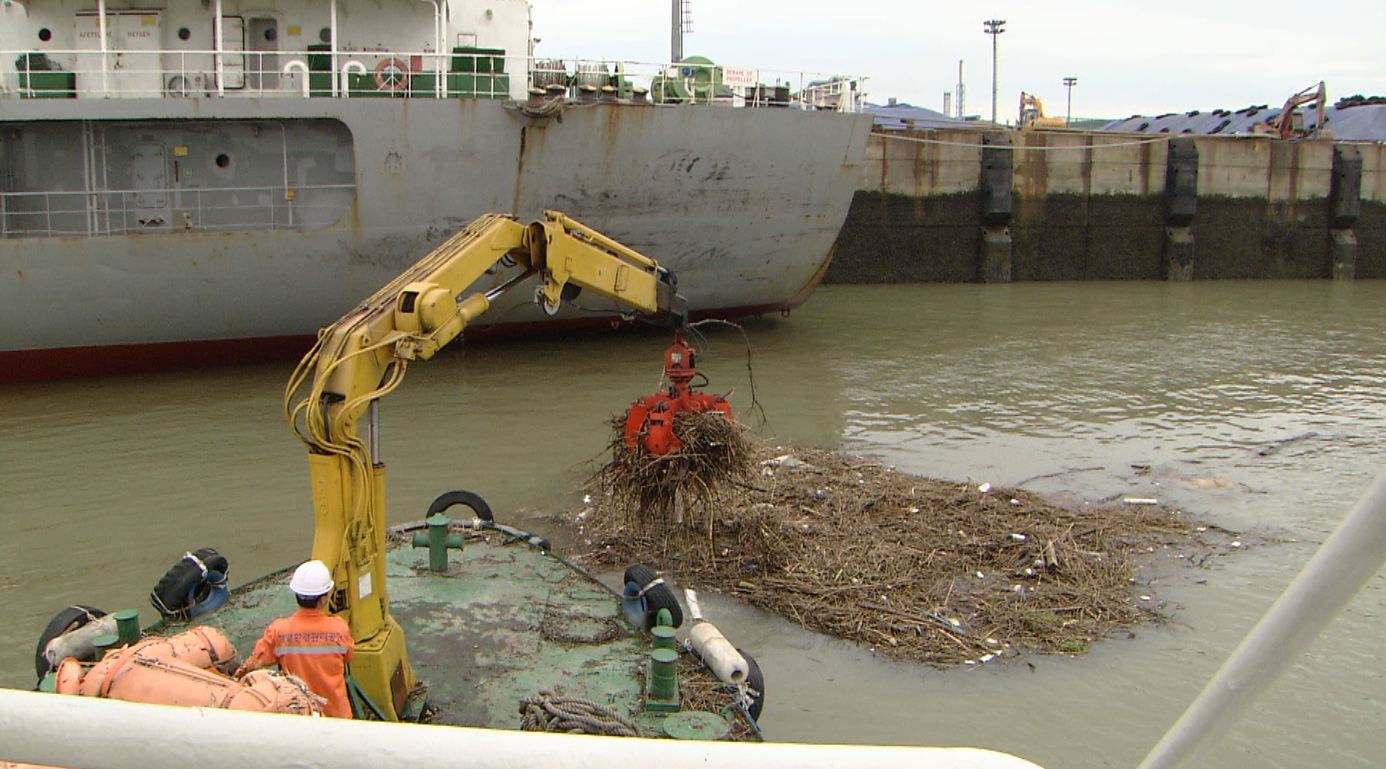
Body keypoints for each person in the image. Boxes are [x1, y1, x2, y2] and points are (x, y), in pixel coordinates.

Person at [235, 559, 355, 718]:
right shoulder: (339, 629)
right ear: (323, 598)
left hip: (299, 715)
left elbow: (257, 661)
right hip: (336, 716)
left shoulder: (279, 631)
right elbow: (348, 656)